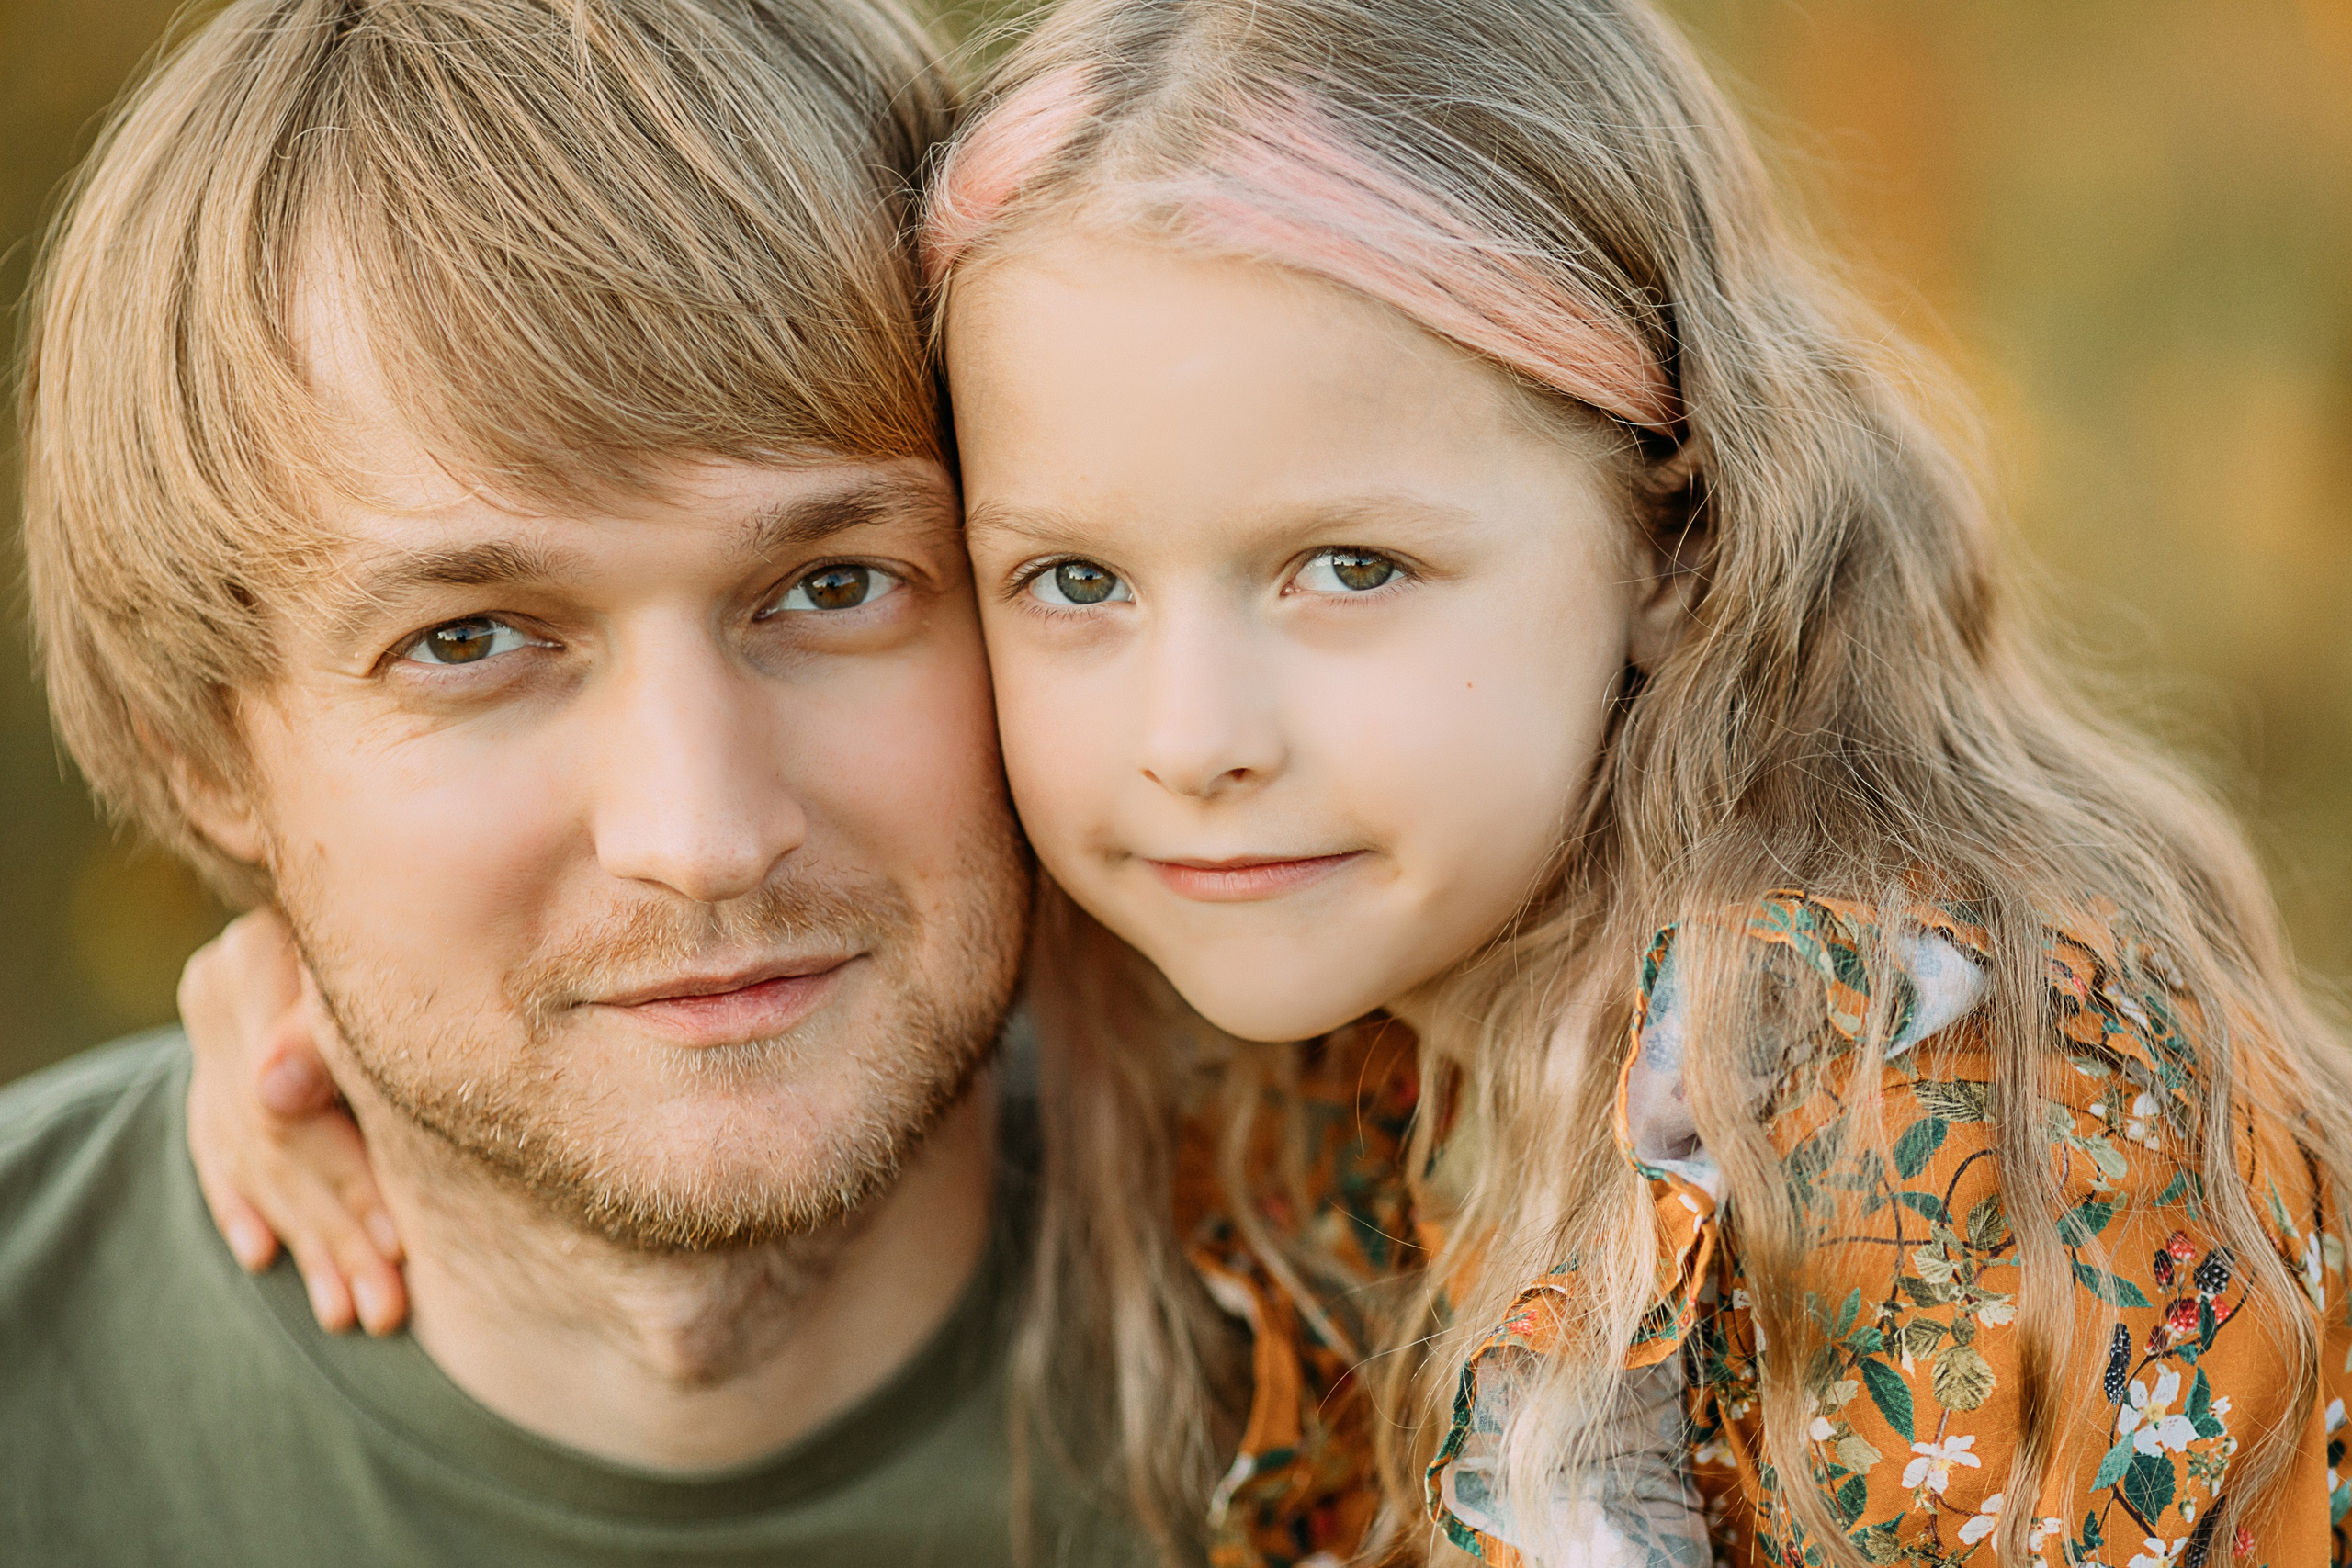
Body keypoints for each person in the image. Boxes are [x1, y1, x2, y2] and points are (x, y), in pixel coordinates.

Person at [187, 0, 2352, 1564]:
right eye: (1070, 579)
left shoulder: (1920, 1086)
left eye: (1346, 566)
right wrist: (330, 940)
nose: (1190, 731)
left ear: (1670, 532)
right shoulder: (1317, 1014)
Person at [3, 1, 1172, 1562]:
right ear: (204, 750)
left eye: (834, 587)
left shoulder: (1427, 1317)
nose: (704, 839)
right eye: (469, 638)